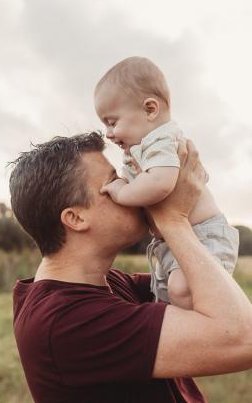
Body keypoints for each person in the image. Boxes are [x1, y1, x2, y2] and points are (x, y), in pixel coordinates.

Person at [9, 132, 252, 403]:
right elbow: (247, 339)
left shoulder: (103, 283)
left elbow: (209, 293)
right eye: (114, 182)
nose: (129, 186)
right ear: (76, 218)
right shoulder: (66, 323)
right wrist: (173, 221)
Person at [94, 56, 238, 308]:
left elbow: (160, 184)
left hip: (203, 235)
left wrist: (120, 191)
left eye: (112, 122)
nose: (108, 134)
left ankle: (219, 323)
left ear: (150, 109)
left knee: (182, 290)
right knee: (166, 300)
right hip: (171, 240)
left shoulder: (160, 141)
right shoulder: (141, 150)